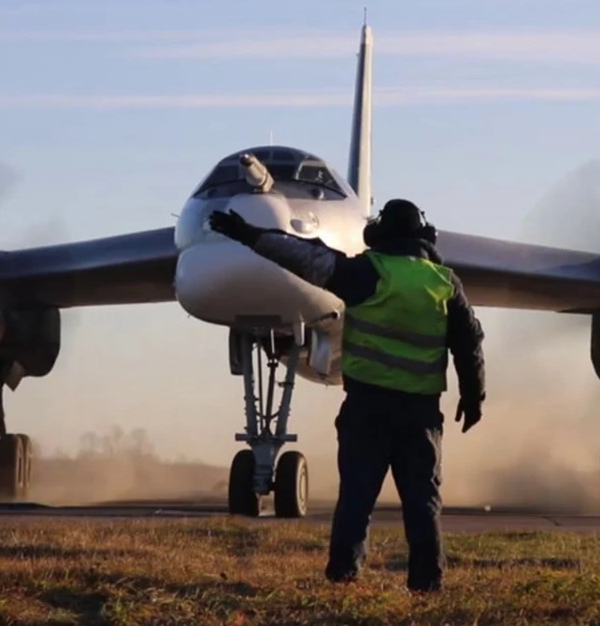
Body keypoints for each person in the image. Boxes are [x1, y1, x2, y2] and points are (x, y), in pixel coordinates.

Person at [208, 198, 486, 592]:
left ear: (380, 234)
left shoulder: (366, 273)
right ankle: (426, 583)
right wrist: (473, 397)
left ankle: (344, 575)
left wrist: (249, 235)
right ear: (424, 237)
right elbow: (469, 341)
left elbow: (304, 257)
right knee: (423, 503)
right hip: (420, 414)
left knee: (356, 497)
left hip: (368, 409)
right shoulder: (444, 283)